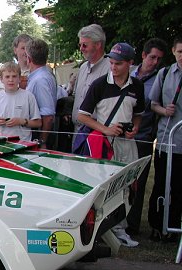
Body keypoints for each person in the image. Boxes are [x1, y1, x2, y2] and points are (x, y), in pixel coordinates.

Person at [78, 43, 145, 247]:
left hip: (126, 143)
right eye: (112, 62)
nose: (113, 67)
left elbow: (139, 114)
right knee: (103, 187)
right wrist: (105, 129)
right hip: (104, 144)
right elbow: (82, 115)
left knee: (127, 186)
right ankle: (100, 230)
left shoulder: (137, 86)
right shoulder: (99, 84)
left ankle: (120, 229)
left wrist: (134, 128)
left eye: (118, 63)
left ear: (130, 64)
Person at [126, 38, 168, 236]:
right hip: (123, 135)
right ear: (143, 55)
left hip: (144, 135)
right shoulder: (128, 72)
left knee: (139, 182)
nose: (155, 62)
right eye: (152, 57)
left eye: (159, 59)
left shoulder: (161, 77)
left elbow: (156, 104)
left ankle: (132, 225)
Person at [147, 36, 182, 242]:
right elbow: (152, 104)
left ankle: (174, 227)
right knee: (161, 184)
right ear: (174, 51)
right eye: (180, 52)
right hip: (166, 139)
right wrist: (163, 110)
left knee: (179, 188)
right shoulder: (165, 73)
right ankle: (157, 225)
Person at [0, 62, 41, 141]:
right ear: (1, 79)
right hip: (2, 142)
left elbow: (38, 123)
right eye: (7, 77)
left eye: (14, 76)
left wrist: (21, 121)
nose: (11, 80)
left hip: (23, 142)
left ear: (19, 78)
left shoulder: (28, 96)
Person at [72, 24, 110, 135]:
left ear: (98, 45)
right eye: (80, 45)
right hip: (77, 132)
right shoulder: (83, 67)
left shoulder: (110, 69)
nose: (81, 49)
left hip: (96, 134)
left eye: (84, 45)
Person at [25, 39, 57, 148]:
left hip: (40, 134)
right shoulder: (45, 74)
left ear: (29, 59)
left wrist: (42, 141)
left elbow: (48, 116)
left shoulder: (40, 80)